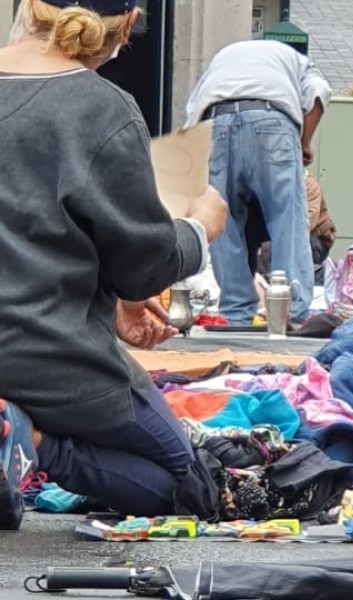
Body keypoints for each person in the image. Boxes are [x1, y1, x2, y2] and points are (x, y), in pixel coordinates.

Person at [0, 0, 228, 529]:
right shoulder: (99, 107)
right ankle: (30, 438)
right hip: (47, 358)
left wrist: (115, 294)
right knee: (188, 484)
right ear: (127, 27)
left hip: (33, 345)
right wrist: (200, 227)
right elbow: (145, 265)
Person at [184, 40, 331, 326]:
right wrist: (304, 142)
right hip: (271, 122)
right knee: (286, 218)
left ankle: (236, 310)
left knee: (220, 220)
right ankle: (290, 311)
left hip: (215, 123)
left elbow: (193, 110)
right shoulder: (299, 63)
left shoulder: (222, 57)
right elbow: (319, 93)